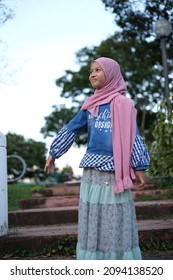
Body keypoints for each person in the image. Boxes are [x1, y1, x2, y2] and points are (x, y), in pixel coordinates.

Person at [44, 57, 150, 260]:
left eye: (98, 70)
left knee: (113, 216)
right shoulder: (90, 105)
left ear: (110, 74)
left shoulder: (125, 105)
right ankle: (94, 259)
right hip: (92, 172)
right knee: (93, 215)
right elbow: (72, 128)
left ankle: (116, 258)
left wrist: (140, 166)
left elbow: (134, 136)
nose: (92, 74)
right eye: (90, 71)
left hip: (114, 173)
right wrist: (54, 152)